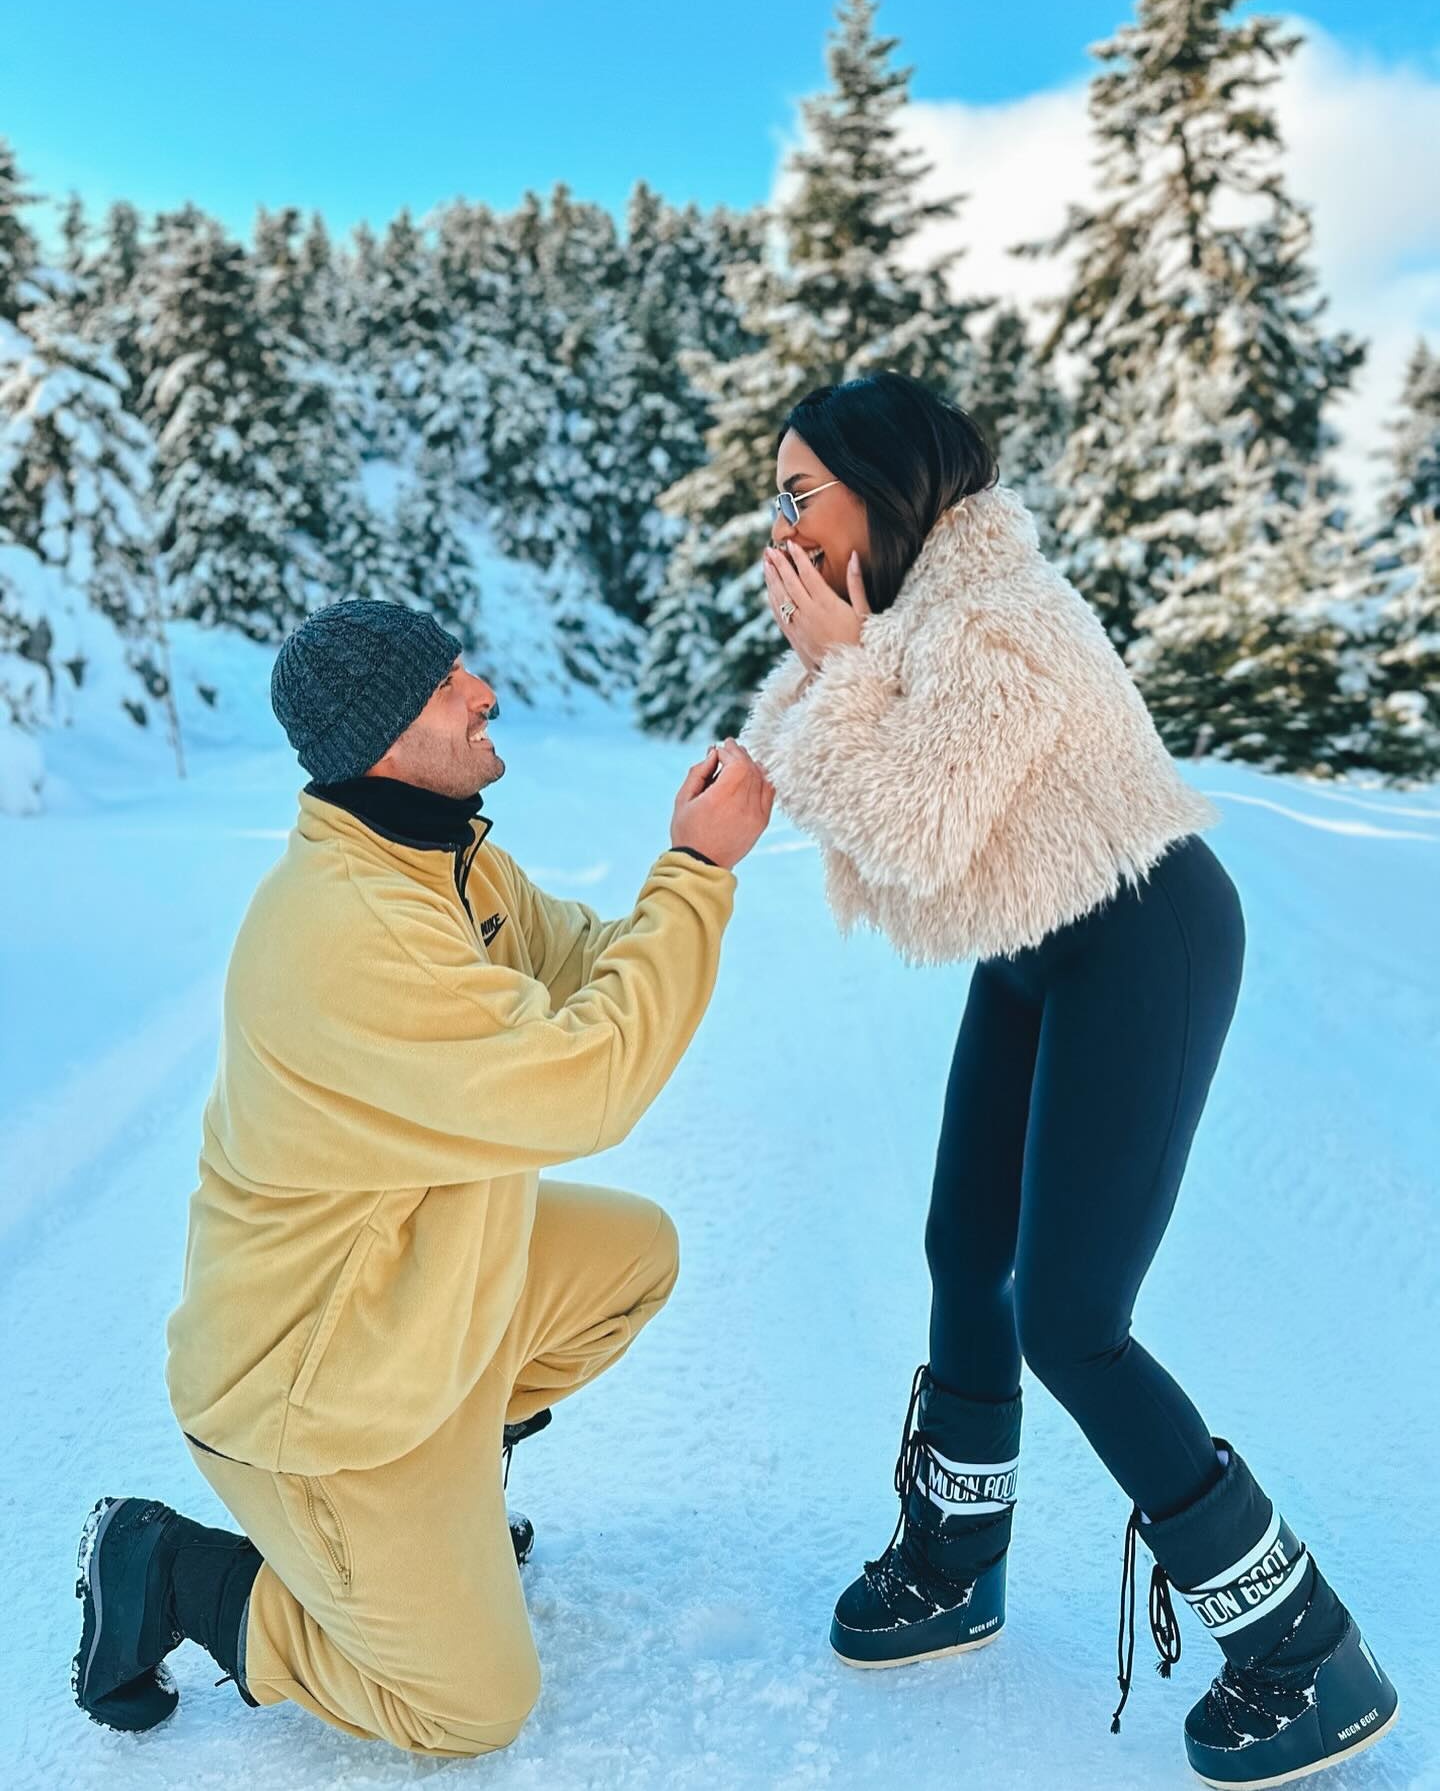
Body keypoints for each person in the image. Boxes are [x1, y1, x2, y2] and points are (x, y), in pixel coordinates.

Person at [739, 372, 1400, 1789]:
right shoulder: (905, 614)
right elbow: (848, 774)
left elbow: (912, 825)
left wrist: (836, 668)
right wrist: (824, 678)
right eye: (774, 496)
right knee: (965, 1250)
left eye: (798, 493)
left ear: (884, 485)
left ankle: (1307, 1648)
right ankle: (956, 1560)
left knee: (1072, 1319)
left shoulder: (1001, 619)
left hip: (1144, 932)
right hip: (1037, 939)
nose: (779, 524)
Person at [72, 598, 774, 1757]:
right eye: (451, 683)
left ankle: (447, 1500)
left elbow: (585, 960)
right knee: (471, 1706)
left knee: (633, 1257)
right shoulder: (356, 928)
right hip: (314, 1395)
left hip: (410, 1314)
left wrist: (686, 876)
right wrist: (697, 870)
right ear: (386, 736)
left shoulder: (442, 856)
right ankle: (179, 1573)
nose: (484, 690)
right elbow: (587, 1085)